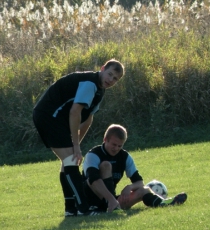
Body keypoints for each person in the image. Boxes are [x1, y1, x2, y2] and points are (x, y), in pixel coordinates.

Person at [33, 59, 125, 217]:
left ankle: (71, 209)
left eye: (115, 78)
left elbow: (88, 118)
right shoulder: (90, 83)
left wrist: (77, 146)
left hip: (57, 119)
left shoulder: (100, 90)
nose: (111, 80)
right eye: (109, 74)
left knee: (70, 160)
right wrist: (75, 146)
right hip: (48, 115)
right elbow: (74, 112)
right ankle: (83, 208)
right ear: (102, 68)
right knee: (71, 160)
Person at [82, 124, 187, 212]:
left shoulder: (125, 156)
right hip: (90, 202)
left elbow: (139, 182)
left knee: (144, 190)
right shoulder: (93, 155)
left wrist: (129, 187)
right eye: (114, 144)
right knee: (106, 165)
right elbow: (93, 180)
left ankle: (163, 203)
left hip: (112, 202)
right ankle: (111, 205)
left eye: (120, 146)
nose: (116, 149)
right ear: (105, 139)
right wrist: (111, 199)